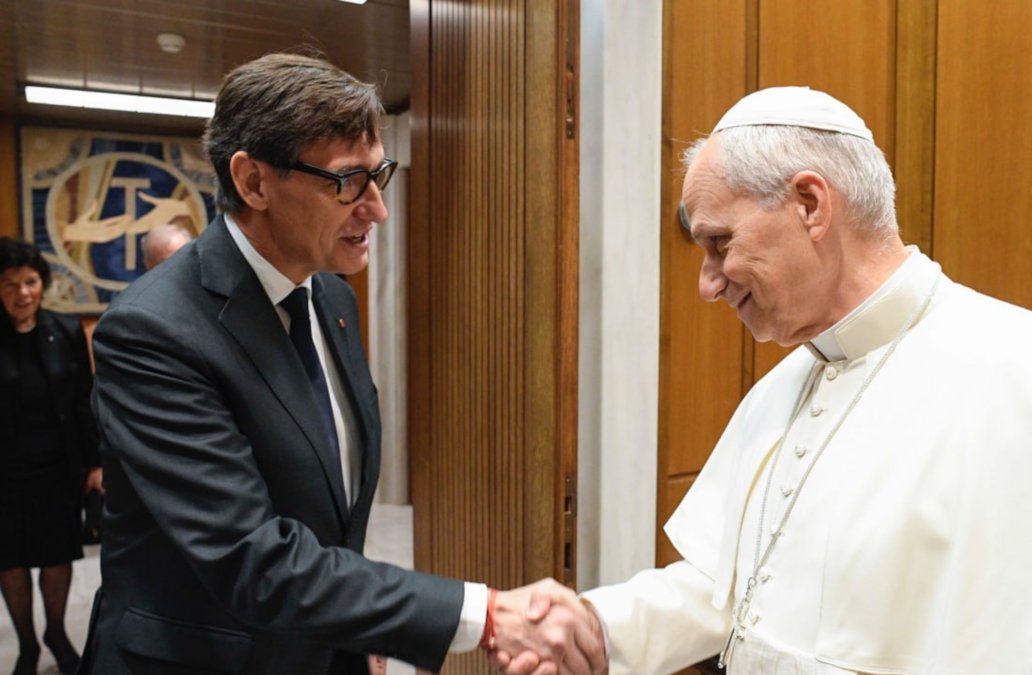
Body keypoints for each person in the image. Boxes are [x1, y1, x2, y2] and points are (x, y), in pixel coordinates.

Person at [502, 87, 1032, 674]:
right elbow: (734, 589)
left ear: (810, 203)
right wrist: (596, 626)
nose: (708, 284)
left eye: (720, 244)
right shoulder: (789, 382)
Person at [78, 54, 604, 675]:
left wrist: (360, 629)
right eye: (347, 181)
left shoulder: (329, 294)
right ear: (253, 182)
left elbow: (329, 502)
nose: (377, 209)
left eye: (379, 174)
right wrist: (484, 614)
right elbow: (251, 558)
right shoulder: (152, 331)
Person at [0, 237, 102, 675]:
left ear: (42, 283)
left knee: (57, 555)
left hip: (57, 468)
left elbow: (83, 401)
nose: (22, 293)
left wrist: (95, 463)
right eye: (9, 284)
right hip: (4, 474)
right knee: (10, 561)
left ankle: (56, 634)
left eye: (29, 282)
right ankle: (26, 644)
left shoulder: (65, 331)